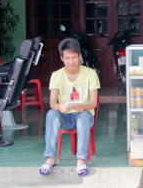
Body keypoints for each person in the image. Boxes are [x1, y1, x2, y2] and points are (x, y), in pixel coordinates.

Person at [40, 38, 100, 177]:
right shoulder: (56, 75)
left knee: (84, 116)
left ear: (79, 56)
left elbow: (94, 103)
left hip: (84, 115)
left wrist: (83, 107)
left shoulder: (90, 73)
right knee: (51, 114)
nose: (71, 61)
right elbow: (52, 103)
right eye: (67, 58)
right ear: (62, 58)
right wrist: (60, 107)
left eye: (74, 57)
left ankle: (81, 160)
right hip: (65, 117)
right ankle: (50, 158)